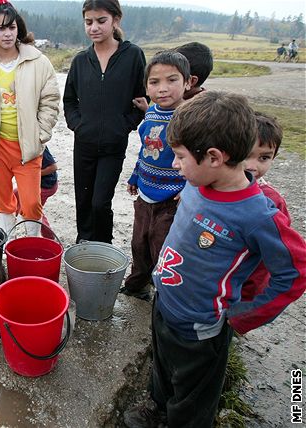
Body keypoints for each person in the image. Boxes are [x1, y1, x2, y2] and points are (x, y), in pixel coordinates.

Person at [123, 91, 306, 428]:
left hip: (201, 328)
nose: (174, 164)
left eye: (179, 156)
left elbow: (295, 273)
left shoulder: (259, 215)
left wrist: (242, 316)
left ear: (214, 157)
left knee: (194, 398)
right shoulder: (195, 183)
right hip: (165, 304)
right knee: (163, 369)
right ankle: (158, 409)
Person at [0, 0, 60, 237]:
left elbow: (50, 101)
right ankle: (5, 247)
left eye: (11, 27)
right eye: (1, 28)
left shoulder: (38, 61)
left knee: (31, 203)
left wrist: (40, 134)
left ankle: (32, 244)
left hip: (27, 148)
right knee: (2, 201)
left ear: (19, 29)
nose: (7, 34)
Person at [63, 0, 146, 244]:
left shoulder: (132, 56)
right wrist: (78, 125)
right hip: (84, 144)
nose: (94, 28)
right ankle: (85, 247)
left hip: (113, 145)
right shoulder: (80, 61)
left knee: (100, 202)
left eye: (101, 21)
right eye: (89, 22)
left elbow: (142, 97)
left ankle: (103, 248)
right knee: (84, 201)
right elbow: (69, 100)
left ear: (116, 20)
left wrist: (124, 125)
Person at [120, 51, 190, 301]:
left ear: (188, 82)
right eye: (154, 82)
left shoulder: (190, 118)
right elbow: (145, 151)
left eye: (172, 80)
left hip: (171, 199)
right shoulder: (150, 113)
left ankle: (166, 293)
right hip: (146, 193)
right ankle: (137, 285)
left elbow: (197, 160)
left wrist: (190, 189)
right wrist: (135, 176)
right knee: (139, 242)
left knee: (162, 247)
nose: (163, 89)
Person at [241, 112, 292, 301]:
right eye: (246, 155)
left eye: (264, 158)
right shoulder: (213, 186)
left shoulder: (272, 202)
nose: (252, 166)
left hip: (241, 290)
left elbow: (273, 256)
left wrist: (248, 297)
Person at [13, 146, 59, 238]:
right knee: (15, 195)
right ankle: (11, 223)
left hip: (46, 186)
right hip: (33, 184)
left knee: (31, 210)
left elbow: (53, 167)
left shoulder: (37, 145)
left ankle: (48, 237)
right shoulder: (14, 145)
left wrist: (32, 173)